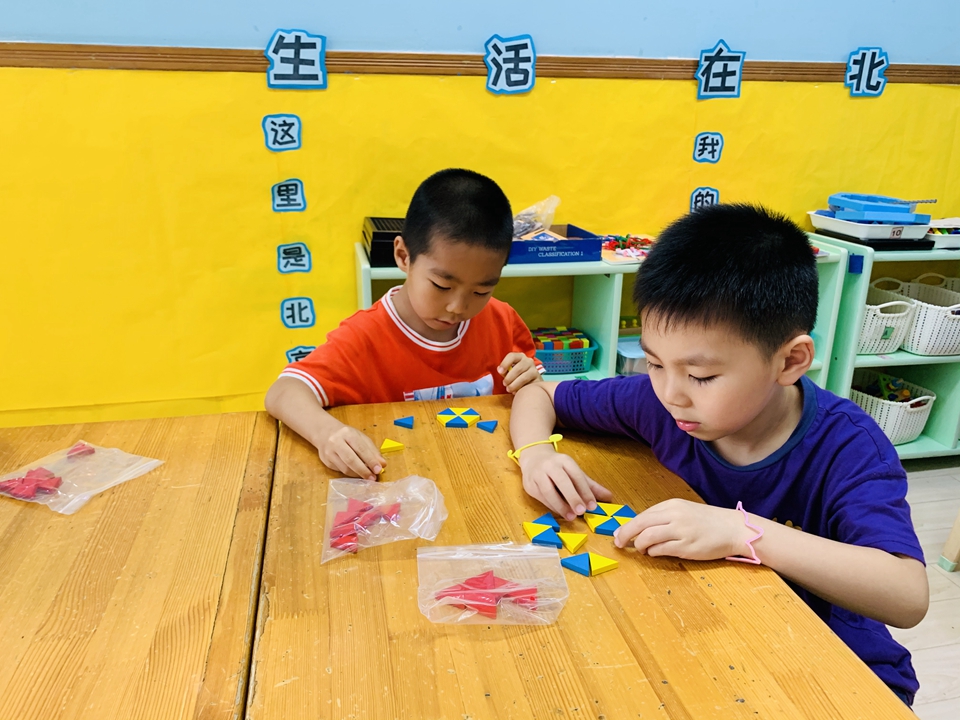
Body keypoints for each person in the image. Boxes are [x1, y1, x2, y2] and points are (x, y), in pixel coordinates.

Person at [509, 204, 929, 705]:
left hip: (833, 664)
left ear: (790, 361)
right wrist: (535, 454)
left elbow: (907, 596)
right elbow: (538, 394)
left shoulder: (848, 445)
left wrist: (742, 532)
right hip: (713, 640)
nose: (672, 394)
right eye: (654, 363)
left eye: (701, 376)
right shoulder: (657, 401)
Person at [266, 168, 543, 480]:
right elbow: (283, 392)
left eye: (481, 291)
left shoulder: (501, 321)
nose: (457, 307)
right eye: (441, 285)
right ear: (403, 256)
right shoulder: (365, 337)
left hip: (484, 475)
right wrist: (326, 433)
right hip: (399, 482)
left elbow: (538, 397)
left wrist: (533, 384)